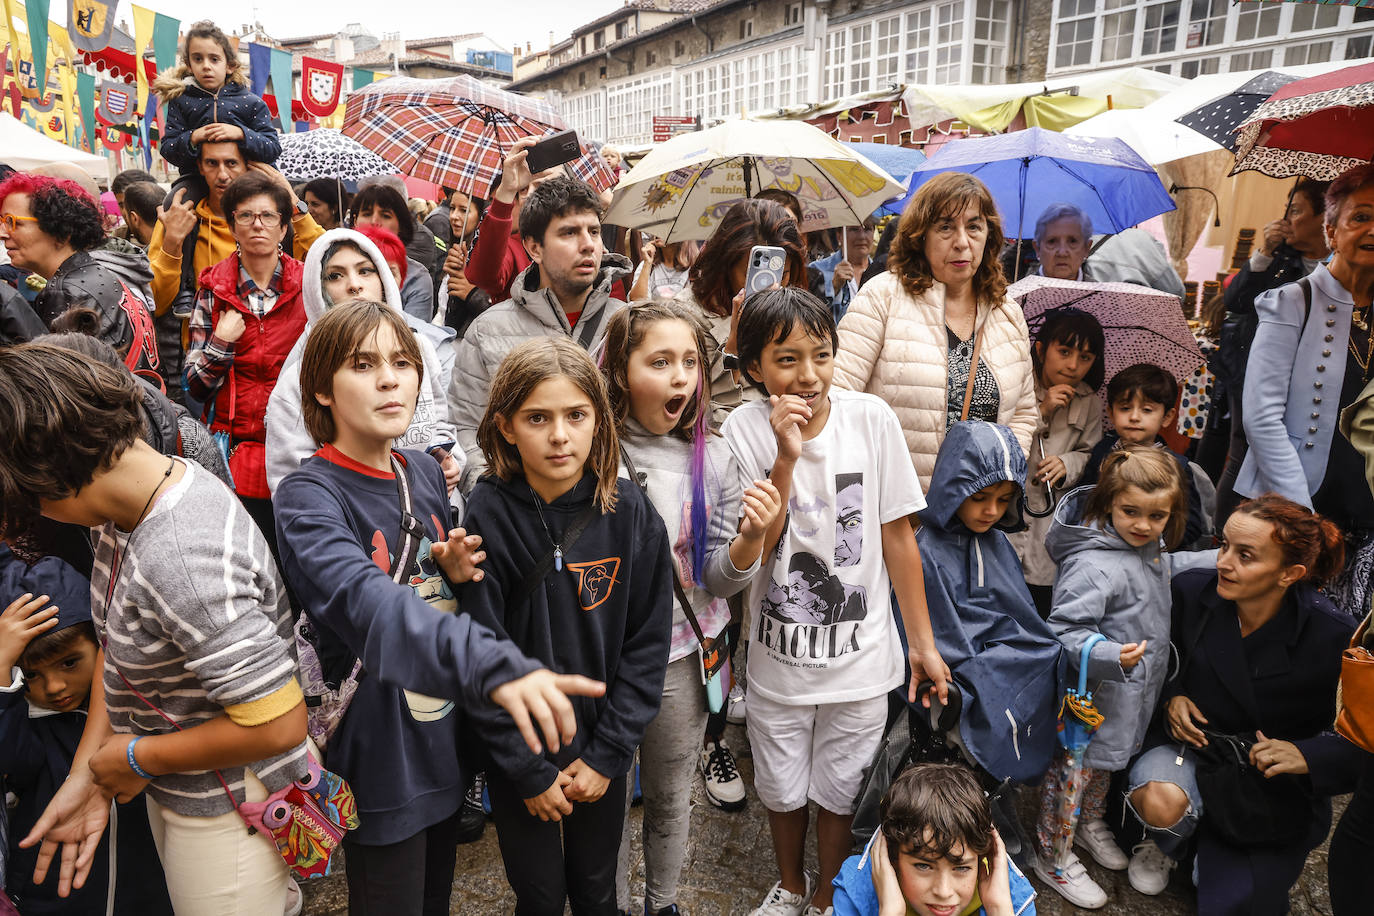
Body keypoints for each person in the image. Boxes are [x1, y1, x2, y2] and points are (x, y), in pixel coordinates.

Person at [273, 301, 602, 914]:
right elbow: (359, 596)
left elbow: (431, 584)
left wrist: (448, 570)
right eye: (362, 364)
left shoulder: (422, 471)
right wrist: (493, 664)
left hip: (442, 741)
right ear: (321, 387)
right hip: (380, 752)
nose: (390, 378)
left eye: (402, 362)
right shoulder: (307, 493)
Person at [0, 343, 308, 915]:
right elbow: (115, 647)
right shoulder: (130, 502)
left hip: (229, 806)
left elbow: (281, 723)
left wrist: (136, 757)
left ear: (48, 477)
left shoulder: (181, 558)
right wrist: (89, 771)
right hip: (185, 787)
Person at [725, 287, 949, 916]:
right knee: (780, 784)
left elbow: (898, 537)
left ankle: (827, 892)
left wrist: (923, 645)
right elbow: (760, 555)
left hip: (861, 661)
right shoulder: (741, 432)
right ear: (753, 369)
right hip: (777, 663)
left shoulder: (871, 419)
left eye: (820, 355)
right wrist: (785, 459)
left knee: (842, 786)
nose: (808, 375)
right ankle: (790, 884)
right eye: (787, 358)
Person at [457, 336, 672, 915]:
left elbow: (647, 645)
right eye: (537, 418)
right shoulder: (487, 512)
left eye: (576, 415)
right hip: (517, 756)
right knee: (539, 895)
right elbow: (480, 656)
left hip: (601, 749)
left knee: (598, 891)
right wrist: (524, 771)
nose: (559, 435)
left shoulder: (630, 512)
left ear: (598, 419)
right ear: (505, 426)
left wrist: (609, 755)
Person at [600, 301, 781, 915]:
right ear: (620, 372)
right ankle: (617, 902)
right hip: (603, 663)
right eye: (659, 361)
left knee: (673, 795)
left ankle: (664, 901)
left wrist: (750, 541)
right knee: (608, 797)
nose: (681, 376)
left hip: (681, 658)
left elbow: (717, 581)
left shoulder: (717, 458)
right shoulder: (589, 454)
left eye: (689, 362)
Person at [1131, 495, 1359, 912]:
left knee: (1238, 903)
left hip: (1267, 783)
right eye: (1224, 546)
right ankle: (1170, 841)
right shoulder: (1191, 591)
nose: (1222, 562)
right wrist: (1172, 696)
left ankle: (1207, 851)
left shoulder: (1334, 636)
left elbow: (1361, 732)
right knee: (1159, 802)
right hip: (1193, 750)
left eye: (1245, 556)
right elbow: (1159, 663)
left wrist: (1307, 754)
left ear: (1290, 573)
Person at [1032, 448, 1212, 909]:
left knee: (1101, 773)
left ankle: (1087, 827)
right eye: (1131, 511)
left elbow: (1162, 573)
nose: (1143, 524)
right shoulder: (1093, 565)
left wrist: (1217, 558)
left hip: (1125, 698)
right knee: (1070, 776)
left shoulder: (1147, 550)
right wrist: (1110, 654)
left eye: (1157, 515)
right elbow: (1063, 630)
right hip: (1089, 700)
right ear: (1108, 501)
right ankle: (1053, 854)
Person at [833, 172, 1038, 491]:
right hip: (894, 514)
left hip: (975, 517)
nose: (961, 242)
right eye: (945, 227)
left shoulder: (1007, 312)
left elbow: (1024, 414)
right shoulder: (883, 297)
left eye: (973, 226)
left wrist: (1000, 483)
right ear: (920, 235)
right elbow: (838, 396)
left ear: (989, 234)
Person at [0, 552, 174, 915]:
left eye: (69, 662)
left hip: (153, 893)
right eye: (31, 674)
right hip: (52, 900)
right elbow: (15, 762)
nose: (55, 686)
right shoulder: (25, 719)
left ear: (101, 644)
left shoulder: (140, 708)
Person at [1238, 164, 1374, 615]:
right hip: (1299, 505)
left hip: (1366, 512)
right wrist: (1303, 518)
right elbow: (1260, 416)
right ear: (1331, 231)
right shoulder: (1293, 300)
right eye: (1361, 217)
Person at [450, 176, 631, 492]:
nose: (588, 244)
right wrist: (494, 497)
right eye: (569, 233)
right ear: (534, 247)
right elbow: (467, 429)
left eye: (594, 231)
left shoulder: (628, 325)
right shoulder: (488, 332)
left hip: (612, 508)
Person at [915, 421, 1065, 786]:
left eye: (1002, 500)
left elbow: (1023, 617)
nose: (991, 512)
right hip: (957, 668)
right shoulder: (925, 549)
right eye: (978, 497)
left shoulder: (997, 544)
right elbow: (933, 630)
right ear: (953, 490)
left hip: (1000, 654)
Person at [264, 226, 459, 495]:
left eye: (365, 270)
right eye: (335, 275)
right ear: (317, 288)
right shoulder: (298, 378)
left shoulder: (420, 348)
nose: (354, 284)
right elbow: (292, 484)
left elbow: (440, 422)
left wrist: (442, 459)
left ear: (383, 279)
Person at [183, 171, 307, 552]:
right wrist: (222, 342)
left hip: (298, 445)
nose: (258, 225)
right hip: (235, 448)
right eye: (246, 216)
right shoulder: (213, 289)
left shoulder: (309, 287)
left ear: (284, 228)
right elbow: (195, 385)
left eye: (268, 216)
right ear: (232, 225)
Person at [1214, 179, 1331, 524]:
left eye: (1296, 211)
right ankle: (1225, 533)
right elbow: (1235, 301)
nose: (1287, 219)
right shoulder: (1280, 260)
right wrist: (1263, 253)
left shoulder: (1344, 266)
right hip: (1254, 374)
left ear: (1325, 217)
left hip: (1311, 379)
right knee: (1243, 454)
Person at [148, 142, 321, 333]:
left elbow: (327, 267)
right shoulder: (178, 218)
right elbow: (155, 303)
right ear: (200, 167)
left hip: (279, 352)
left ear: (248, 166)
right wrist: (173, 242)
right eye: (212, 163)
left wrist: (295, 206)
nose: (222, 175)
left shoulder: (278, 223)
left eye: (231, 163)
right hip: (204, 351)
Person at [0, 173, 160, 379]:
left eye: (13, 222)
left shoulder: (66, 292)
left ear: (61, 231)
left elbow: (69, 389)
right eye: (2, 221)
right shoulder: (98, 273)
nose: (3, 233)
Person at [831, 763, 1037, 916]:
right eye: (923, 866)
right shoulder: (855, 894)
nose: (943, 891)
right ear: (892, 859)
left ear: (985, 857)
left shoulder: (1014, 901)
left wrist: (999, 909)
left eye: (962, 868)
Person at [1009, 308, 1105, 616]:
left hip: (1049, 526)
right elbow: (1002, 438)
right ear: (1040, 349)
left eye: (1086, 358)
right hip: (1010, 517)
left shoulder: (1089, 401)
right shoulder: (1017, 385)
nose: (1074, 365)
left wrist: (1068, 463)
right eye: (1064, 352)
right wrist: (1042, 411)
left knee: (1040, 600)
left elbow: (1090, 452)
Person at [681, 198, 809, 422]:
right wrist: (734, 345)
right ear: (725, 265)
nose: (772, 286)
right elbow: (703, 416)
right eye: (754, 275)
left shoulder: (791, 309)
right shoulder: (685, 317)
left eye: (783, 273)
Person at [1081, 363, 1208, 549]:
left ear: (1167, 417)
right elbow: (1084, 500)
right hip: (1100, 547)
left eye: (1147, 410)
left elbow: (1191, 525)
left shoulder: (1176, 467)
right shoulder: (1103, 452)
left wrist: (1154, 543)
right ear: (1111, 412)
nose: (1134, 417)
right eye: (1125, 408)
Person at [153, 20, 280, 195]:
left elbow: (272, 148)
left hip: (250, 180)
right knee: (172, 204)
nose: (206, 65)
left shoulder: (251, 103)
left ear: (229, 65)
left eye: (214, 59)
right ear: (189, 65)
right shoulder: (181, 101)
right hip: (198, 182)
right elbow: (168, 149)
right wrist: (193, 137)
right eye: (198, 59)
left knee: (280, 206)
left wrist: (241, 133)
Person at [349, 183, 436, 322]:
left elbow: (414, 334)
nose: (374, 221)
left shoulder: (416, 277)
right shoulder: (338, 264)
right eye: (366, 214)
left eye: (385, 215)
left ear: (400, 225)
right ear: (355, 221)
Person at [438, 189, 492, 338]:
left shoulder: (486, 259)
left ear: (481, 216)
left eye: (464, 210)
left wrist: (470, 293)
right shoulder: (455, 251)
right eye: (452, 208)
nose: (454, 216)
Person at [809, 220, 875, 322]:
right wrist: (833, 287)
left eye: (868, 229)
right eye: (854, 229)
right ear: (839, 235)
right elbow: (809, 315)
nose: (862, 236)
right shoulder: (817, 269)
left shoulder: (882, 273)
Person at [1030, 203, 1094, 281]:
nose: (1062, 253)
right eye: (1052, 241)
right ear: (1037, 248)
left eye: (1072, 241)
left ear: (1087, 248)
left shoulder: (1104, 292)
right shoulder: (1020, 292)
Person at [627, 235, 698, 301]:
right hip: (653, 314)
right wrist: (647, 263)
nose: (659, 233)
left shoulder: (694, 267)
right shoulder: (648, 264)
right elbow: (637, 300)